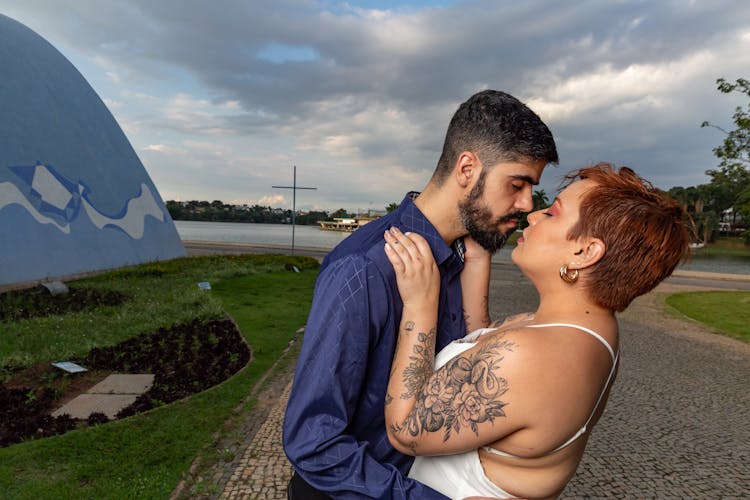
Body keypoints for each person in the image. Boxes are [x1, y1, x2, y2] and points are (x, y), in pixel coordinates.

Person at [283, 89, 558, 498]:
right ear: (467, 168)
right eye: (517, 184)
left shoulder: (462, 257)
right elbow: (313, 441)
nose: (525, 203)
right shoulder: (364, 269)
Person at [382, 163, 691, 499]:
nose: (533, 214)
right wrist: (477, 260)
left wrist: (420, 306)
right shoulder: (586, 331)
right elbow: (482, 355)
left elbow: (405, 431)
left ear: (584, 252)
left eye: (553, 213)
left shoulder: (531, 355)